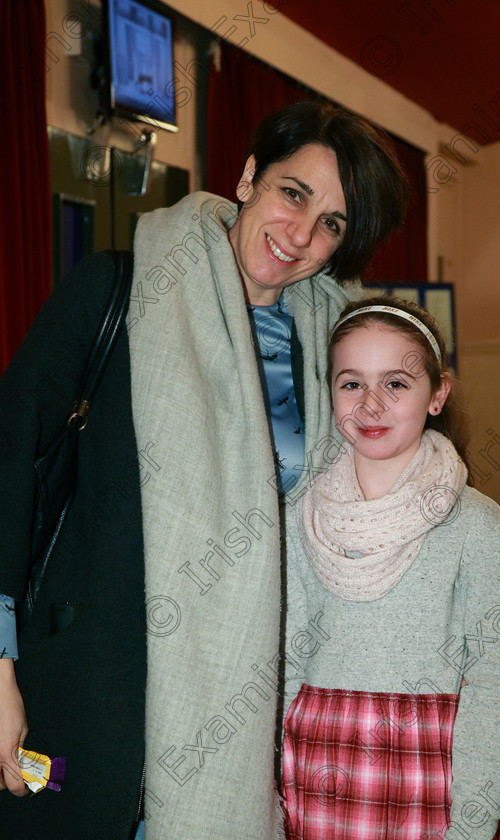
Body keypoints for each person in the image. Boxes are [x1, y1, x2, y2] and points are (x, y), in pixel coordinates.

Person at [0, 103, 408, 839]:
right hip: (87, 692)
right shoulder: (119, 291)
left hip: (247, 716)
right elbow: (8, 455)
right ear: (250, 176)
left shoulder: (334, 351)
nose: (301, 236)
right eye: (293, 193)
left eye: (334, 225)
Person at [280, 296, 500, 840]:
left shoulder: (477, 526)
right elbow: (284, 666)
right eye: (351, 384)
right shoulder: (302, 515)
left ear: (437, 394)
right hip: (317, 777)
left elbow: (495, 688)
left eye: (395, 383)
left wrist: (473, 823)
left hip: (432, 780)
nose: (371, 405)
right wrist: (273, 800)